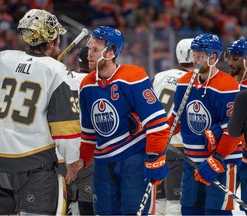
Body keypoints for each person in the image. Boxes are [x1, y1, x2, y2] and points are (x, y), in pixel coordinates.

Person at [0, 9, 81, 215]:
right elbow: (66, 130)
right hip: (34, 168)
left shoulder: (1, 59)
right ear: (51, 43)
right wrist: (72, 163)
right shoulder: (56, 71)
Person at [67, 26, 170, 215]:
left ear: (111, 52)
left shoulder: (132, 77)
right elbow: (89, 132)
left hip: (133, 158)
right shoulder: (87, 85)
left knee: (132, 212)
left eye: (95, 50)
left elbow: (157, 123)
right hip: (103, 162)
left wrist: (156, 157)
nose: (88, 54)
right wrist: (82, 159)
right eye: (89, 48)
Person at [169, 33, 242, 215]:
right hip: (191, 159)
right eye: (194, 55)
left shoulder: (228, 86)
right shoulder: (184, 82)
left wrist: (217, 158)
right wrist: (156, 139)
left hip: (222, 162)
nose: (195, 60)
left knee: (217, 212)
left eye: (200, 56)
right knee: (189, 210)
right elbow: (175, 121)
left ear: (213, 58)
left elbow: (233, 131)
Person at [152, 38, 194, 215]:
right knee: (175, 202)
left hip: (157, 147)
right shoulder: (194, 80)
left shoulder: (159, 76)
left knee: (159, 200)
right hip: (180, 148)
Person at [56, 46, 94, 216]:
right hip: (86, 153)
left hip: (59, 153)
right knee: (88, 204)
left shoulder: (61, 78)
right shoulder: (97, 83)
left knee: (64, 204)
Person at [226, 39, 247, 215]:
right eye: (229, 58)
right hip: (228, 155)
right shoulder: (225, 84)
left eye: (235, 58)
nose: (230, 62)